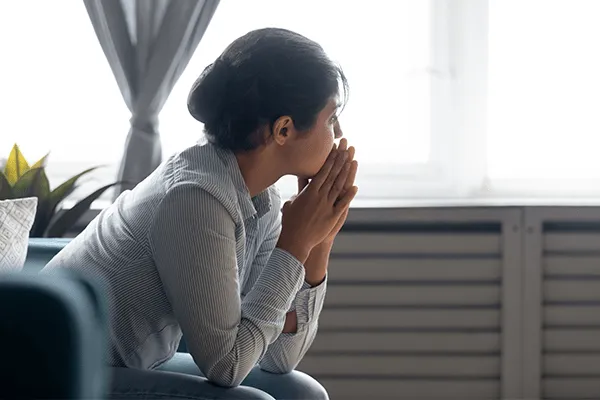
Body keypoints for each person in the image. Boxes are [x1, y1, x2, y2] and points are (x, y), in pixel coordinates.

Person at [43, 27, 358, 400]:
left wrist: (318, 247)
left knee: (301, 392)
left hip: (126, 365)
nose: (338, 135)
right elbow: (227, 366)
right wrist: (296, 245)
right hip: (57, 371)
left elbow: (277, 358)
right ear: (283, 129)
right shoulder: (195, 197)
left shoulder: (263, 198)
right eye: (331, 118)